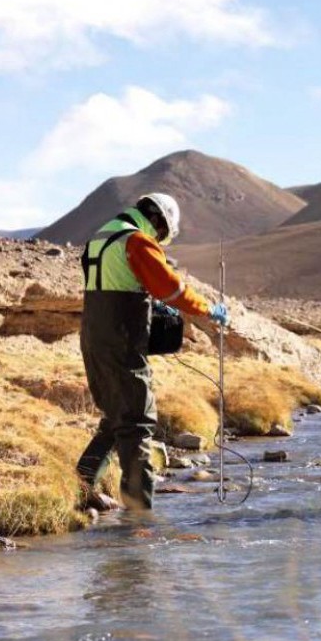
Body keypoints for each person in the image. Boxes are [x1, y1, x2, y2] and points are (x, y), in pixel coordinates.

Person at [76, 192, 230, 511]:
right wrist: (207, 310)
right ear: (158, 220)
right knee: (138, 423)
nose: (159, 240)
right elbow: (171, 288)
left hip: (94, 340)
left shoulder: (102, 236)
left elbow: (116, 285)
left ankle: (79, 488)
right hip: (122, 343)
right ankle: (138, 516)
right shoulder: (136, 240)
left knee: (117, 417)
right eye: (162, 234)